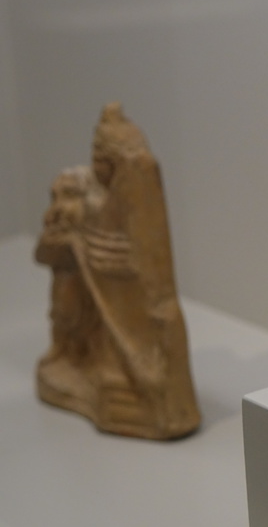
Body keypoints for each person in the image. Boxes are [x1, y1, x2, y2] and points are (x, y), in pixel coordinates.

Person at [34, 103, 200, 439]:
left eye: (103, 160)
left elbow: (145, 257)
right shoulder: (86, 193)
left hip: (126, 292)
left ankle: (151, 398)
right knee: (68, 305)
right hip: (92, 282)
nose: (97, 166)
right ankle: (74, 354)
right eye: (96, 158)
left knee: (131, 341)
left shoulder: (136, 186)